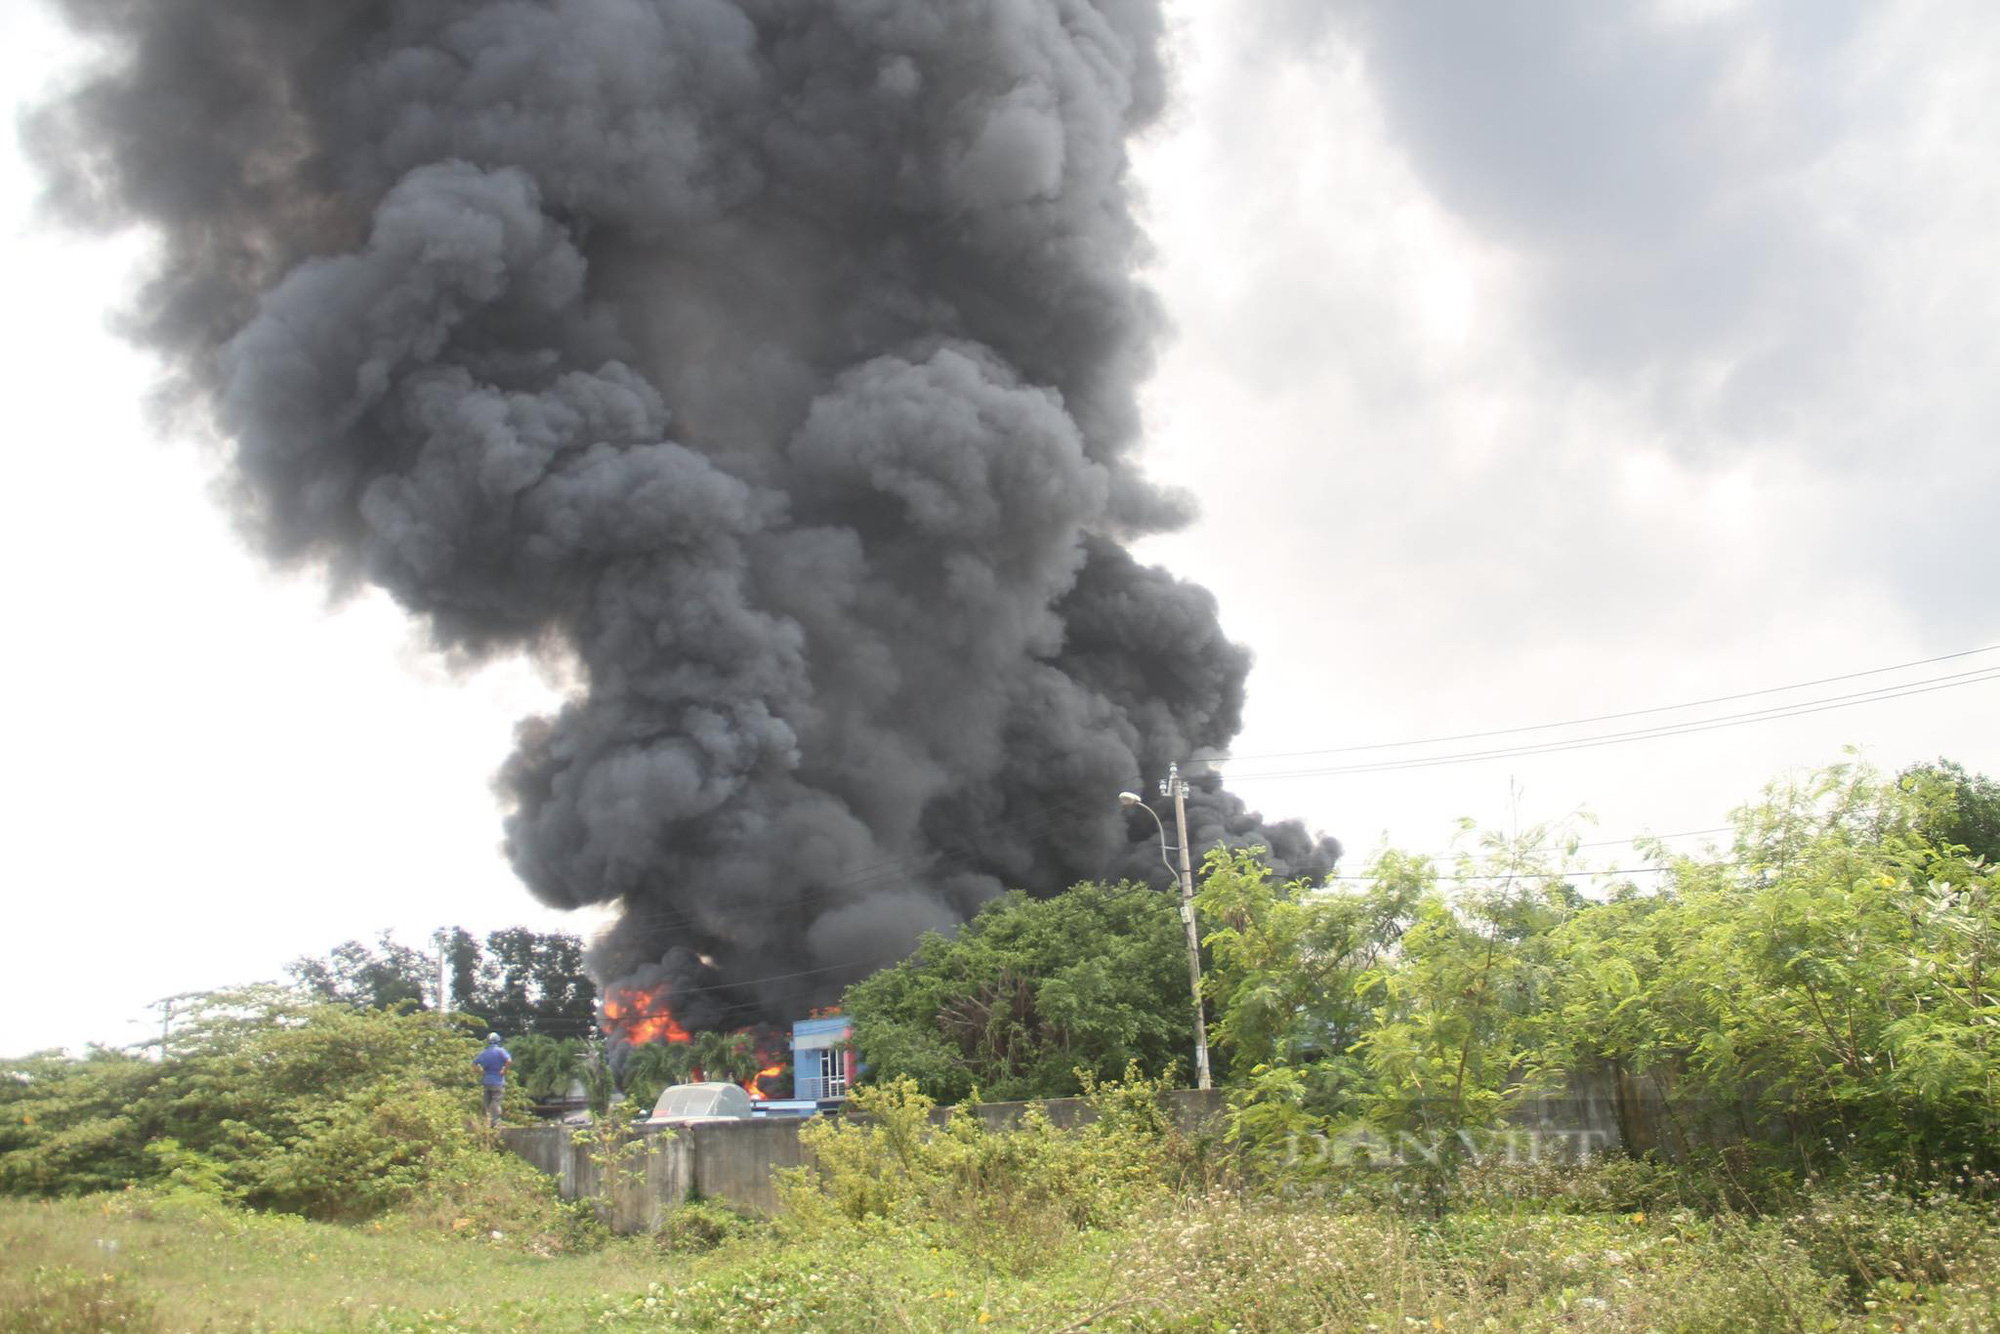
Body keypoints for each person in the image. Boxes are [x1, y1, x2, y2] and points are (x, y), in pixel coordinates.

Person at [473, 1032, 512, 1127]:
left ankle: (486, 1123)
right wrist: (504, 1071)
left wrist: (482, 1073)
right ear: (498, 1041)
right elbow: (509, 1061)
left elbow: (474, 1064)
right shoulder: (501, 1051)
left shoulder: (484, 1052)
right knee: (496, 1102)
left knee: (487, 1102)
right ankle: (495, 1124)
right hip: (498, 1081)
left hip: (487, 1081)